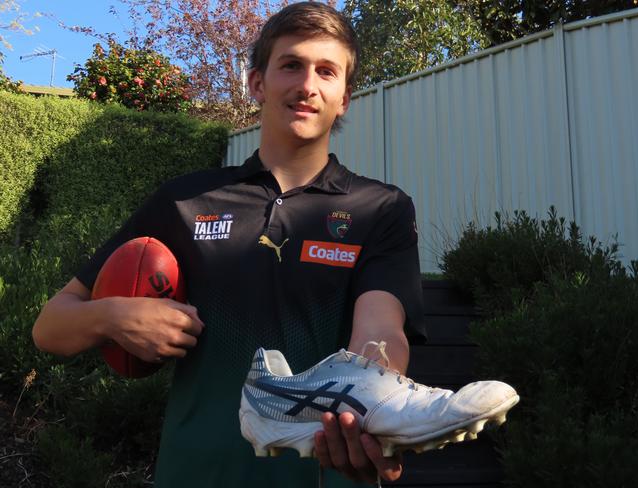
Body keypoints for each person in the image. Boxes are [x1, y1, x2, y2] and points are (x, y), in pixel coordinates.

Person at [32, 2, 425, 487]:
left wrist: (372, 400)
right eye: (291, 65)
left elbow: (382, 330)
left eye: (327, 71)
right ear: (257, 83)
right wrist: (114, 315)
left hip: (326, 472)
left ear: (344, 97)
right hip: (193, 473)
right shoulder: (185, 200)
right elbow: (50, 326)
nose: (308, 85)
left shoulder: (380, 208)